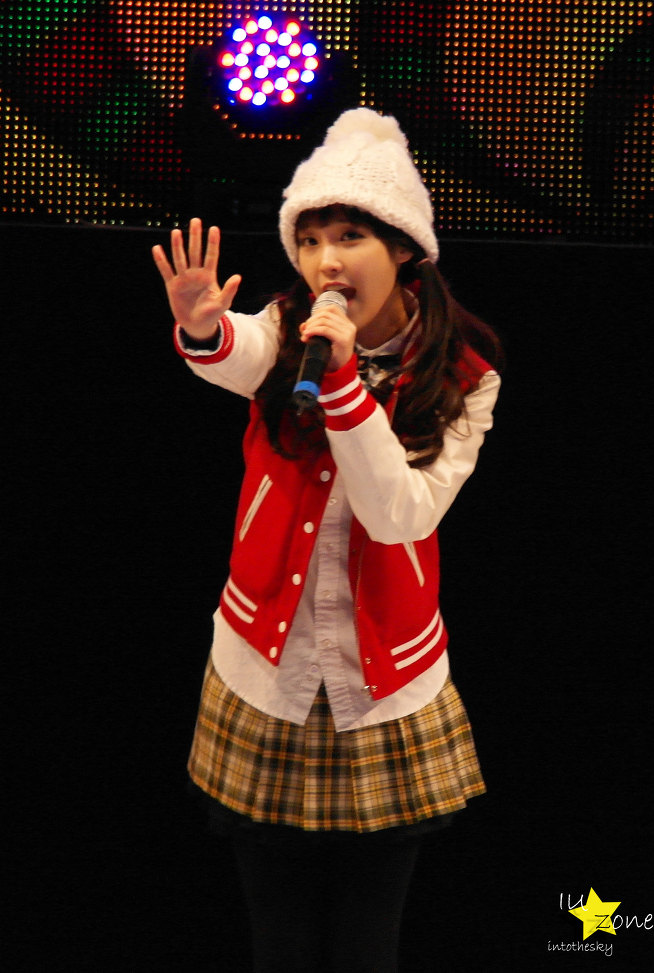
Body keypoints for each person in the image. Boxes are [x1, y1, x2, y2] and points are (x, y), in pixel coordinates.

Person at [152, 107, 502, 973]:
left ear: (404, 248)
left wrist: (345, 383)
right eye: (309, 240)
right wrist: (204, 329)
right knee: (278, 938)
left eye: (350, 235)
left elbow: (400, 515)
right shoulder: (291, 328)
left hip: (382, 686)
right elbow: (241, 350)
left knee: (366, 942)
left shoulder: (466, 375)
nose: (325, 263)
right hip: (266, 671)